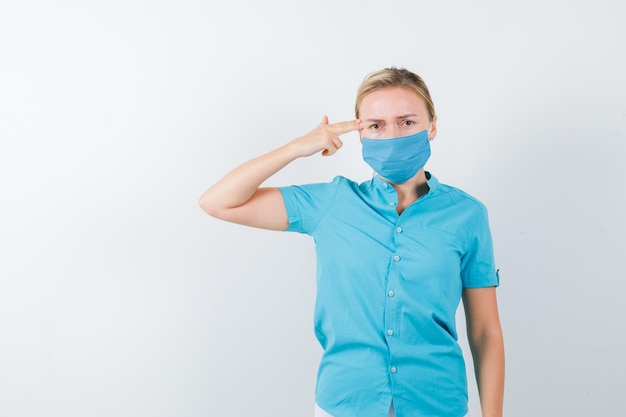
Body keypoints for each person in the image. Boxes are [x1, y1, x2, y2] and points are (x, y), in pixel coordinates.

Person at [199, 67, 504, 417]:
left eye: (406, 122)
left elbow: (484, 332)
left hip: (438, 403)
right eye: (376, 125)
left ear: (432, 126)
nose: (391, 135)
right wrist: (298, 147)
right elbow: (218, 201)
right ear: (360, 133)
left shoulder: (467, 215)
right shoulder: (332, 203)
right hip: (345, 403)